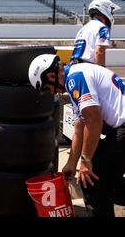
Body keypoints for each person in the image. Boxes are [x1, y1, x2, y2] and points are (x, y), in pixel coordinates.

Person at [28, 54, 125, 217]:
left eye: (46, 88)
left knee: (91, 179)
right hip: (120, 129)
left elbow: (93, 121)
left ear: (51, 76)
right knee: (105, 179)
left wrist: (86, 161)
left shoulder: (75, 78)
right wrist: (72, 163)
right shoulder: (74, 77)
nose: (50, 92)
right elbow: (79, 127)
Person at [70, 0, 120, 66]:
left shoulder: (83, 28)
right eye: (111, 11)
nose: (112, 14)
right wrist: (101, 70)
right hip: (87, 67)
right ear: (105, 9)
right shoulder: (102, 28)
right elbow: (99, 51)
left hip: (72, 66)